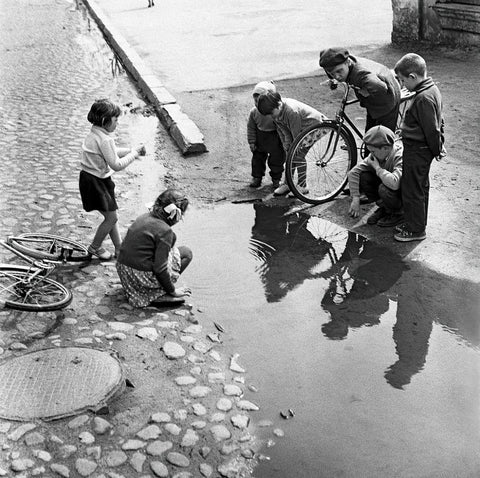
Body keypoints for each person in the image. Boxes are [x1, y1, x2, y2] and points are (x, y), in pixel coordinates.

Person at [80, 98, 146, 260]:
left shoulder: (94, 133)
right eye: (116, 120)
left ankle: (119, 247)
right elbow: (116, 164)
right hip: (97, 182)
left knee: (112, 215)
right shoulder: (105, 139)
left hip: (91, 178)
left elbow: (111, 151)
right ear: (105, 121)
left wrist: (131, 150)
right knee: (112, 217)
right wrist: (134, 154)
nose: (117, 124)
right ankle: (95, 246)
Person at [393, 53, 444, 242]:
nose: (403, 84)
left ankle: (416, 230)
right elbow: (440, 120)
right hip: (420, 148)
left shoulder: (423, 98)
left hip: (418, 149)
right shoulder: (432, 89)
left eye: (403, 80)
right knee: (420, 187)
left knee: (412, 189)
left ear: (413, 77)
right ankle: (417, 222)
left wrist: (437, 149)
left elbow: (432, 129)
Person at [116, 189, 192, 308]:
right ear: (175, 215)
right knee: (187, 253)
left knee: (177, 250)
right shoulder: (165, 231)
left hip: (125, 271)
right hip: (139, 276)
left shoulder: (145, 216)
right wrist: (173, 291)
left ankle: (145, 290)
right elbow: (160, 269)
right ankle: (160, 293)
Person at [257, 91, 327, 196]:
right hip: (299, 130)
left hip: (313, 126)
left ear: (278, 105)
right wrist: (287, 144)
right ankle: (288, 183)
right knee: (290, 154)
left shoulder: (291, 111)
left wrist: (294, 147)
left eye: (271, 113)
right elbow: (284, 130)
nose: (271, 117)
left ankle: (303, 185)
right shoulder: (276, 114)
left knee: (298, 156)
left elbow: (296, 134)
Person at [319, 48, 401, 133]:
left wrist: (364, 92)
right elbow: (328, 67)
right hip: (373, 97)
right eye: (332, 73)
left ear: (348, 62)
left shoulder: (362, 75)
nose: (337, 76)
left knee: (382, 138)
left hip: (388, 98)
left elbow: (381, 88)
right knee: (370, 134)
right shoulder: (342, 63)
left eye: (339, 71)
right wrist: (332, 79)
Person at [348, 125, 403, 227]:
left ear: (385, 148)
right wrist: (355, 198)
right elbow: (353, 173)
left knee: (384, 189)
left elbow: (395, 183)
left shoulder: (399, 156)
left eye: (373, 151)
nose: (371, 154)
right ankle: (385, 208)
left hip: (402, 194)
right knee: (364, 176)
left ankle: (398, 213)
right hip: (390, 187)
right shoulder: (378, 155)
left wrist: (377, 168)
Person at [247, 81, 285, 190]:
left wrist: (284, 141)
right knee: (257, 159)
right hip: (260, 137)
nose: (258, 104)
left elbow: (282, 126)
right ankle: (257, 177)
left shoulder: (275, 112)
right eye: (256, 100)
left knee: (277, 160)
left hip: (275, 138)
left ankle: (276, 179)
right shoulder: (254, 112)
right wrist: (252, 142)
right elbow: (251, 127)